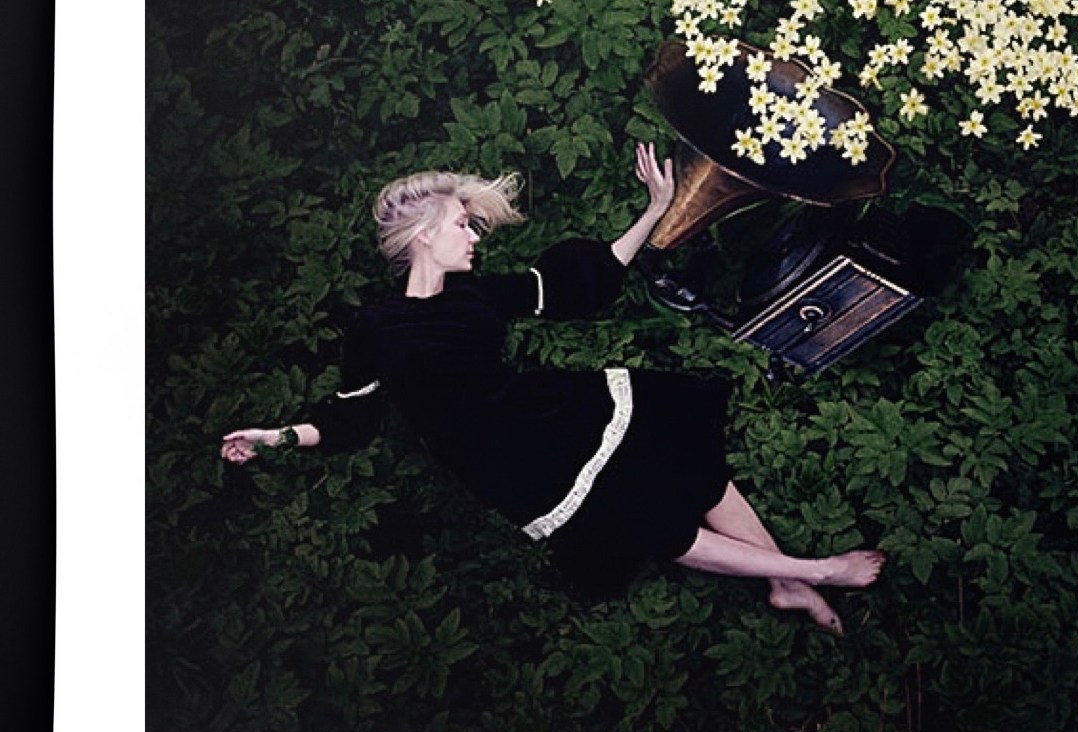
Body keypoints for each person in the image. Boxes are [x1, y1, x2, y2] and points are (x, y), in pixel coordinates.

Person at [221, 141, 885, 632]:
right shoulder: (376, 327)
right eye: (461, 224)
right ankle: (815, 571)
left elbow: (572, 286)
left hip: (540, 415)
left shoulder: (475, 294)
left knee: (677, 436)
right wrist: (274, 437)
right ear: (422, 236)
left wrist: (655, 210)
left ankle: (785, 582)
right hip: (505, 462)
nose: (473, 236)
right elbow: (349, 421)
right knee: (645, 517)